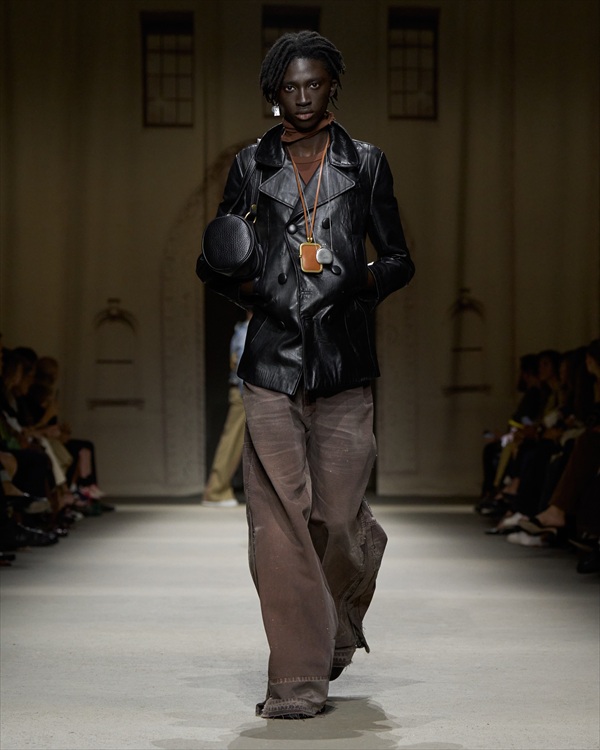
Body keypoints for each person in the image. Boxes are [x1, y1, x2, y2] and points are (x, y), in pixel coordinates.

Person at [197, 31, 415, 720]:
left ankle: (336, 618)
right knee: (278, 525)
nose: (301, 96)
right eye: (289, 87)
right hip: (271, 363)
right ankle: (296, 678)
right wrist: (256, 290)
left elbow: (400, 258)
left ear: (332, 87)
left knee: (338, 520)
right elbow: (214, 259)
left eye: (313, 84)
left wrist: (358, 281)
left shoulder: (366, 163)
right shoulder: (251, 164)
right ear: (274, 94)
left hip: (344, 361)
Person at [201, 311, 251, 508]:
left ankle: (217, 490)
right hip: (244, 392)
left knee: (235, 440)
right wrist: (247, 392)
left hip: (244, 391)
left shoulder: (243, 330)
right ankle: (216, 491)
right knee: (232, 441)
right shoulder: (246, 331)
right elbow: (242, 365)